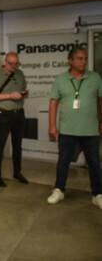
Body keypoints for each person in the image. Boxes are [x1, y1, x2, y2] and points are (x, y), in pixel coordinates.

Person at [47, 47, 102, 208]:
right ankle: (59, 190)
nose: (83, 61)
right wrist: (52, 125)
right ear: (70, 61)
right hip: (67, 129)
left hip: (90, 130)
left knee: (94, 163)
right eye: (79, 58)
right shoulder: (61, 80)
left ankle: (97, 194)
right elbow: (54, 102)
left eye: (85, 58)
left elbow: (100, 101)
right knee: (63, 161)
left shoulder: (95, 78)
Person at [0, 52, 29, 187]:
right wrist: (10, 95)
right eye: (11, 64)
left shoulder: (20, 74)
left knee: (18, 144)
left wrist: (23, 94)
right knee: (0, 144)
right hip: (3, 113)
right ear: (5, 61)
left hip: (18, 113)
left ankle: (17, 172)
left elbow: (23, 90)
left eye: (16, 64)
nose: (14, 67)